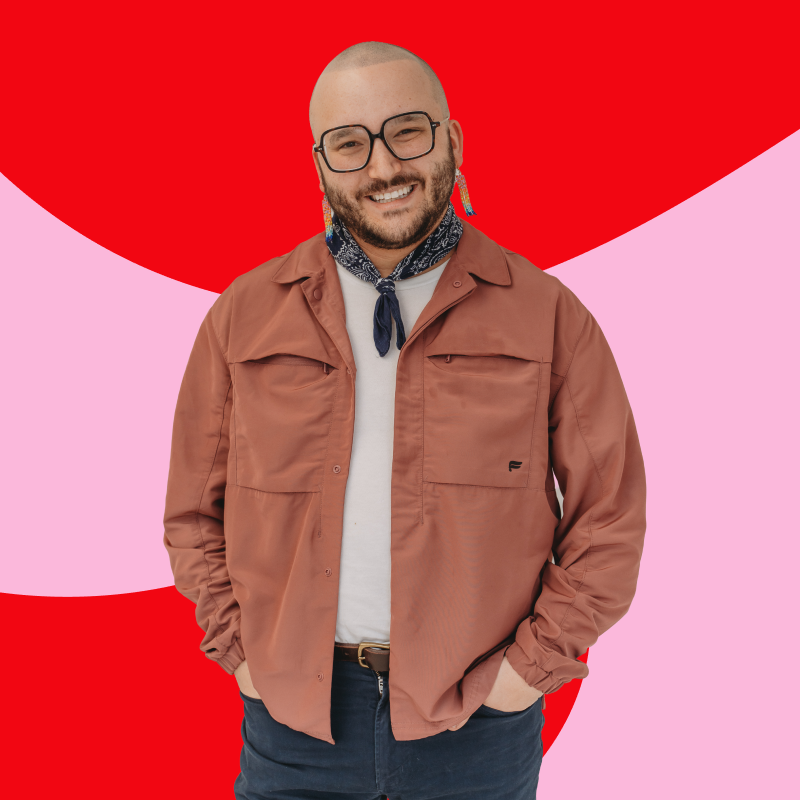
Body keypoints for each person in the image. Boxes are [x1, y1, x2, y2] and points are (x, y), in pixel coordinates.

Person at [163, 41, 647, 800]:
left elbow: (609, 518)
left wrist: (524, 676)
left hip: (477, 728)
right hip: (294, 722)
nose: (384, 167)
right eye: (350, 146)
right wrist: (241, 653)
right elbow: (193, 513)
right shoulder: (243, 317)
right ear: (321, 167)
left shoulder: (546, 316)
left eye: (407, 131)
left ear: (452, 139)